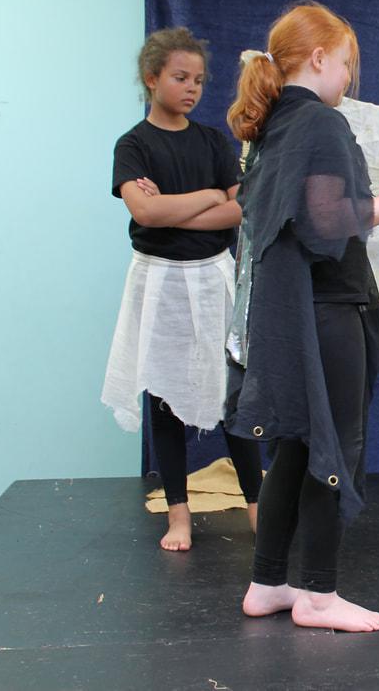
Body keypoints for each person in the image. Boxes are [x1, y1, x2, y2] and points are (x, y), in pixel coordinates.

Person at [225, 2, 379, 632]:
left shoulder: (273, 127)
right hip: (329, 311)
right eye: (345, 65)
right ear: (318, 58)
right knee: (333, 446)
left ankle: (268, 582)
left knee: (296, 444)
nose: (348, 79)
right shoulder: (318, 122)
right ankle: (318, 594)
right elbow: (326, 221)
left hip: (293, 316)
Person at [103, 27, 263, 552]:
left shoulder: (213, 141)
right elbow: (145, 212)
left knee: (233, 394)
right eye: (180, 77)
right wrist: (208, 196)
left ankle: (257, 506)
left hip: (212, 278)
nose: (191, 88)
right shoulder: (133, 145)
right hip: (159, 283)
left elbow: (241, 208)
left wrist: (174, 207)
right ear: (152, 79)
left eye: (198, 79)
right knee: (163, 397)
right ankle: (178, 514)